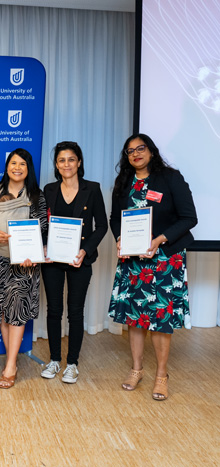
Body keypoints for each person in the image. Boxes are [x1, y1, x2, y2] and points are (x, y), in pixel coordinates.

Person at [108, 134, 197, 401]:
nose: (135, 153)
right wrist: (120, 238)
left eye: (140, 148)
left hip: (165, 260)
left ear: (151, 151)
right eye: (129, 151)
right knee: (136, 319)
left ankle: (161, 375)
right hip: (134, 261)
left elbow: (189, 218)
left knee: (160, 321)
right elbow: (115, 219)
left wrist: (159, 239)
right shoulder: (123, 183)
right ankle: (137, 369)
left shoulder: (170, 178)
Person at [40, 141, 107, 384]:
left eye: (71, 159)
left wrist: (85, 250)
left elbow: (102, 225)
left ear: (79, 162)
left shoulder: (93, 188)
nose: (66, 164)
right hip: (53, 260)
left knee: (76, 312)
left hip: (80, 259)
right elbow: (42, 224)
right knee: (54, 310)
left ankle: (72, 364)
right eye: (61, 160)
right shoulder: (48, 190)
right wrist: (43, 246)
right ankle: (55, 359)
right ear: (56, 165)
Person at [0, 148, 47, 389]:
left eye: (22, 163)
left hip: (24, 263)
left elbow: (41, 230)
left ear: (28, 168)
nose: (17, 167)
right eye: (13, 163)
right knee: (3, 313)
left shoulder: (36, 196)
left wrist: (32, 254)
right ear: (7, 166)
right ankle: (13, 360)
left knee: (17, 313)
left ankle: (10, 365)